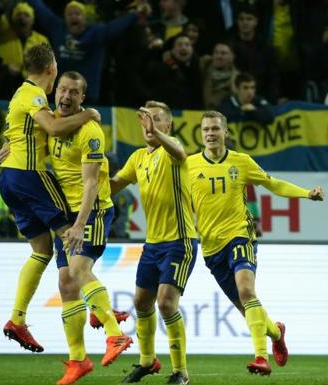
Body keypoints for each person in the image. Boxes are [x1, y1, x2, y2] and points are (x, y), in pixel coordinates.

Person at [0, 71, 133, 384]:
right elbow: (28, 143)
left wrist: (79, 224)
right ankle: (78, 360)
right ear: (55, 90)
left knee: (76, 271)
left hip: (94, 211)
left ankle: (115, 333)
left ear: (82, 97)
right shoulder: (53, 125)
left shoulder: (90, 130)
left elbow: (90, 183)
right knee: (66, 284)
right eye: (62, 89)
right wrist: (9, 148)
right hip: (66, 210)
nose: (66, 96)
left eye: (74, 92)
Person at [186, 110, 324, 375]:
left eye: (215, 129)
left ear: (225, 132)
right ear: (201, 134)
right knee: (244, 307)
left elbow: (274, 185)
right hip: (211, 247)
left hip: (240, 234)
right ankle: (276, 332)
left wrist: (307, 194)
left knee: (247, 292)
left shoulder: (242, 162)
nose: (211, 134)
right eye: (206, 130)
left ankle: (261, 357)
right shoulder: (189, 165)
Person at [0, 43, 99, 353]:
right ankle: (101, 309)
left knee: (41, 250)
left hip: (9, 178)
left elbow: (19, 131)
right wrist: (89, 115)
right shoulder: (34, 94)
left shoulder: (20, 94)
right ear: (51, 69)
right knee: (73, 226)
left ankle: (17, 318)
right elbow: (53, 128)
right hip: (28, 175)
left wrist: (8, 144)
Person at [111, 101, 197, 385]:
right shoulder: (137, 158)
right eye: (145, 119)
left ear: (167, 126)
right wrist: (84, 174)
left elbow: (180, 151)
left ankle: (181, 372)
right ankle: (147, 362)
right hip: (152, 245)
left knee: (166, 304)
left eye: (156, 119)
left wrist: (156, 133)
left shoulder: (172, 149)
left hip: (180, 241)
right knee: (141, 301)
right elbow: (113, 185)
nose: (148, 124)